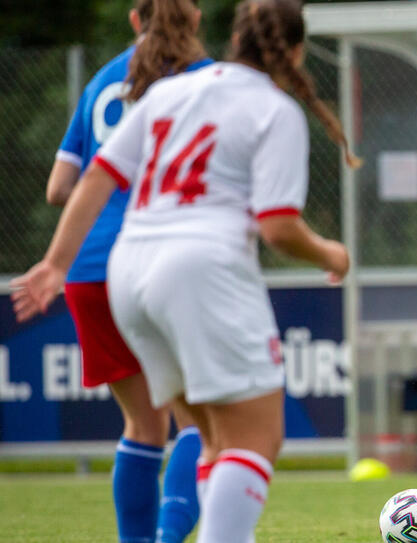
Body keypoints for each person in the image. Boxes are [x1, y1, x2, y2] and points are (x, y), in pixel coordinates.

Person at [11, 0, 356, 541]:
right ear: (293, 52)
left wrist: (56, 263)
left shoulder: (167, 92)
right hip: (200, 269)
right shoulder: (273, 109)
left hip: (128, 270)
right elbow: (278, 228)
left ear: (235, 38)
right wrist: (332, 254)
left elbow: (94, 178)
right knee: (256, 435)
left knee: (208, 434)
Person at [45, 1, 210, 541]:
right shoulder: (204, 78)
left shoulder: (102, 80)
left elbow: (58, 188)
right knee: (201, 423)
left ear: (136, 20)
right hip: (162, 259)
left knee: (142, 423)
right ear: (196, 18)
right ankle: (168, 535)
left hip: (90, 268)